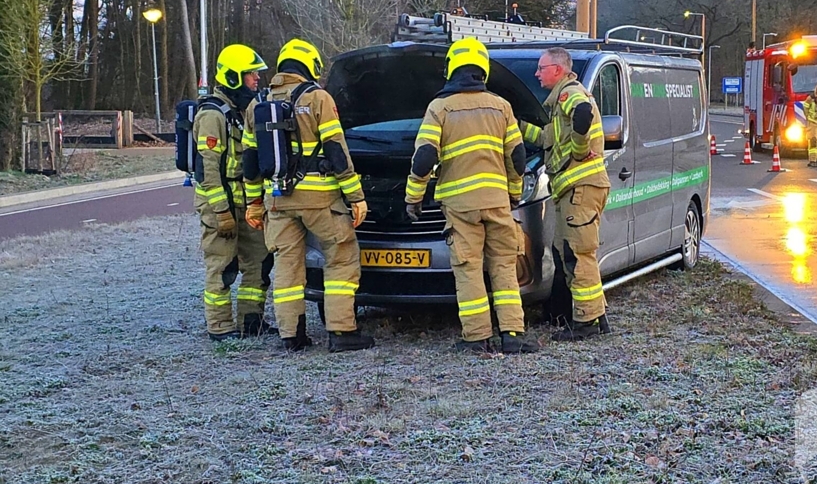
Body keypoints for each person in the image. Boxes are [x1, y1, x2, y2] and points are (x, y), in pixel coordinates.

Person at [405, 37, 538, 354]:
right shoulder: (502, 107)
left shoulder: (439, 108)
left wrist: (414, 197)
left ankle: (477, 337)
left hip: (460, 206)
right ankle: (513, 335)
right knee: (504, 266)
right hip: (497, 201)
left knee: (468, 268)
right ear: (483, 70)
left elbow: (424, 157)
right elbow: (518, 157)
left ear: (452, 69)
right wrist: (514, 194)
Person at [241, 38, 373, 353]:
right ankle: (342, 332)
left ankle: (292, 336)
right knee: (341, 258)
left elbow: (249, 161)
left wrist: (254, 203)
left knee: (287, 266)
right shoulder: (317, 98)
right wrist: (356, 196)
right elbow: (336, 150)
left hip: (277, 200)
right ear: (309, 66)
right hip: (320, 200)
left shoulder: (257, 104)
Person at [521, 47, 611, 341]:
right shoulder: (557, 108)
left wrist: (580, 149)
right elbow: (547, 139)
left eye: (541, 68)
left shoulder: (569, 93)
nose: (537, 74)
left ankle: (585, 323)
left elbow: (583, 113)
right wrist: (514, 126)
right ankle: (596, 315)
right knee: (570, 252)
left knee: (577, 254)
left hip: (580, 189)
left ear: (557, 70)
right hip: (573, 191)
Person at [195, 44, 275, 341]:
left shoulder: (242, 112)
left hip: (245, 204)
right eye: (250, 74)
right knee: (223, 266)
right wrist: (221, 211)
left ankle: (251, 322)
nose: (256, 79)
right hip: (220, 206)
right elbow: (207, 169)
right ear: (232, 77)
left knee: (260, 261)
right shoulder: (212, 115)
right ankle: (220, 326)